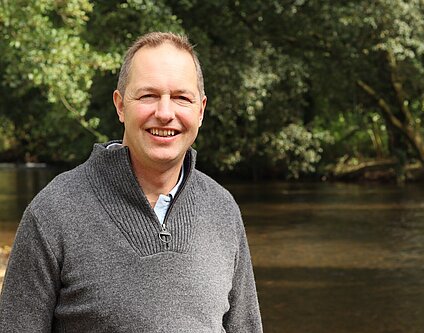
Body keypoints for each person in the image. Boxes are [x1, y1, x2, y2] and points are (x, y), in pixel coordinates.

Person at [0, 32, 263, 333]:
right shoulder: (52, 213)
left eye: (181, 98)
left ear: (200, 110)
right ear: (120, 105)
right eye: (148, 95)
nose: (165, 113)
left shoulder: (222, 210)